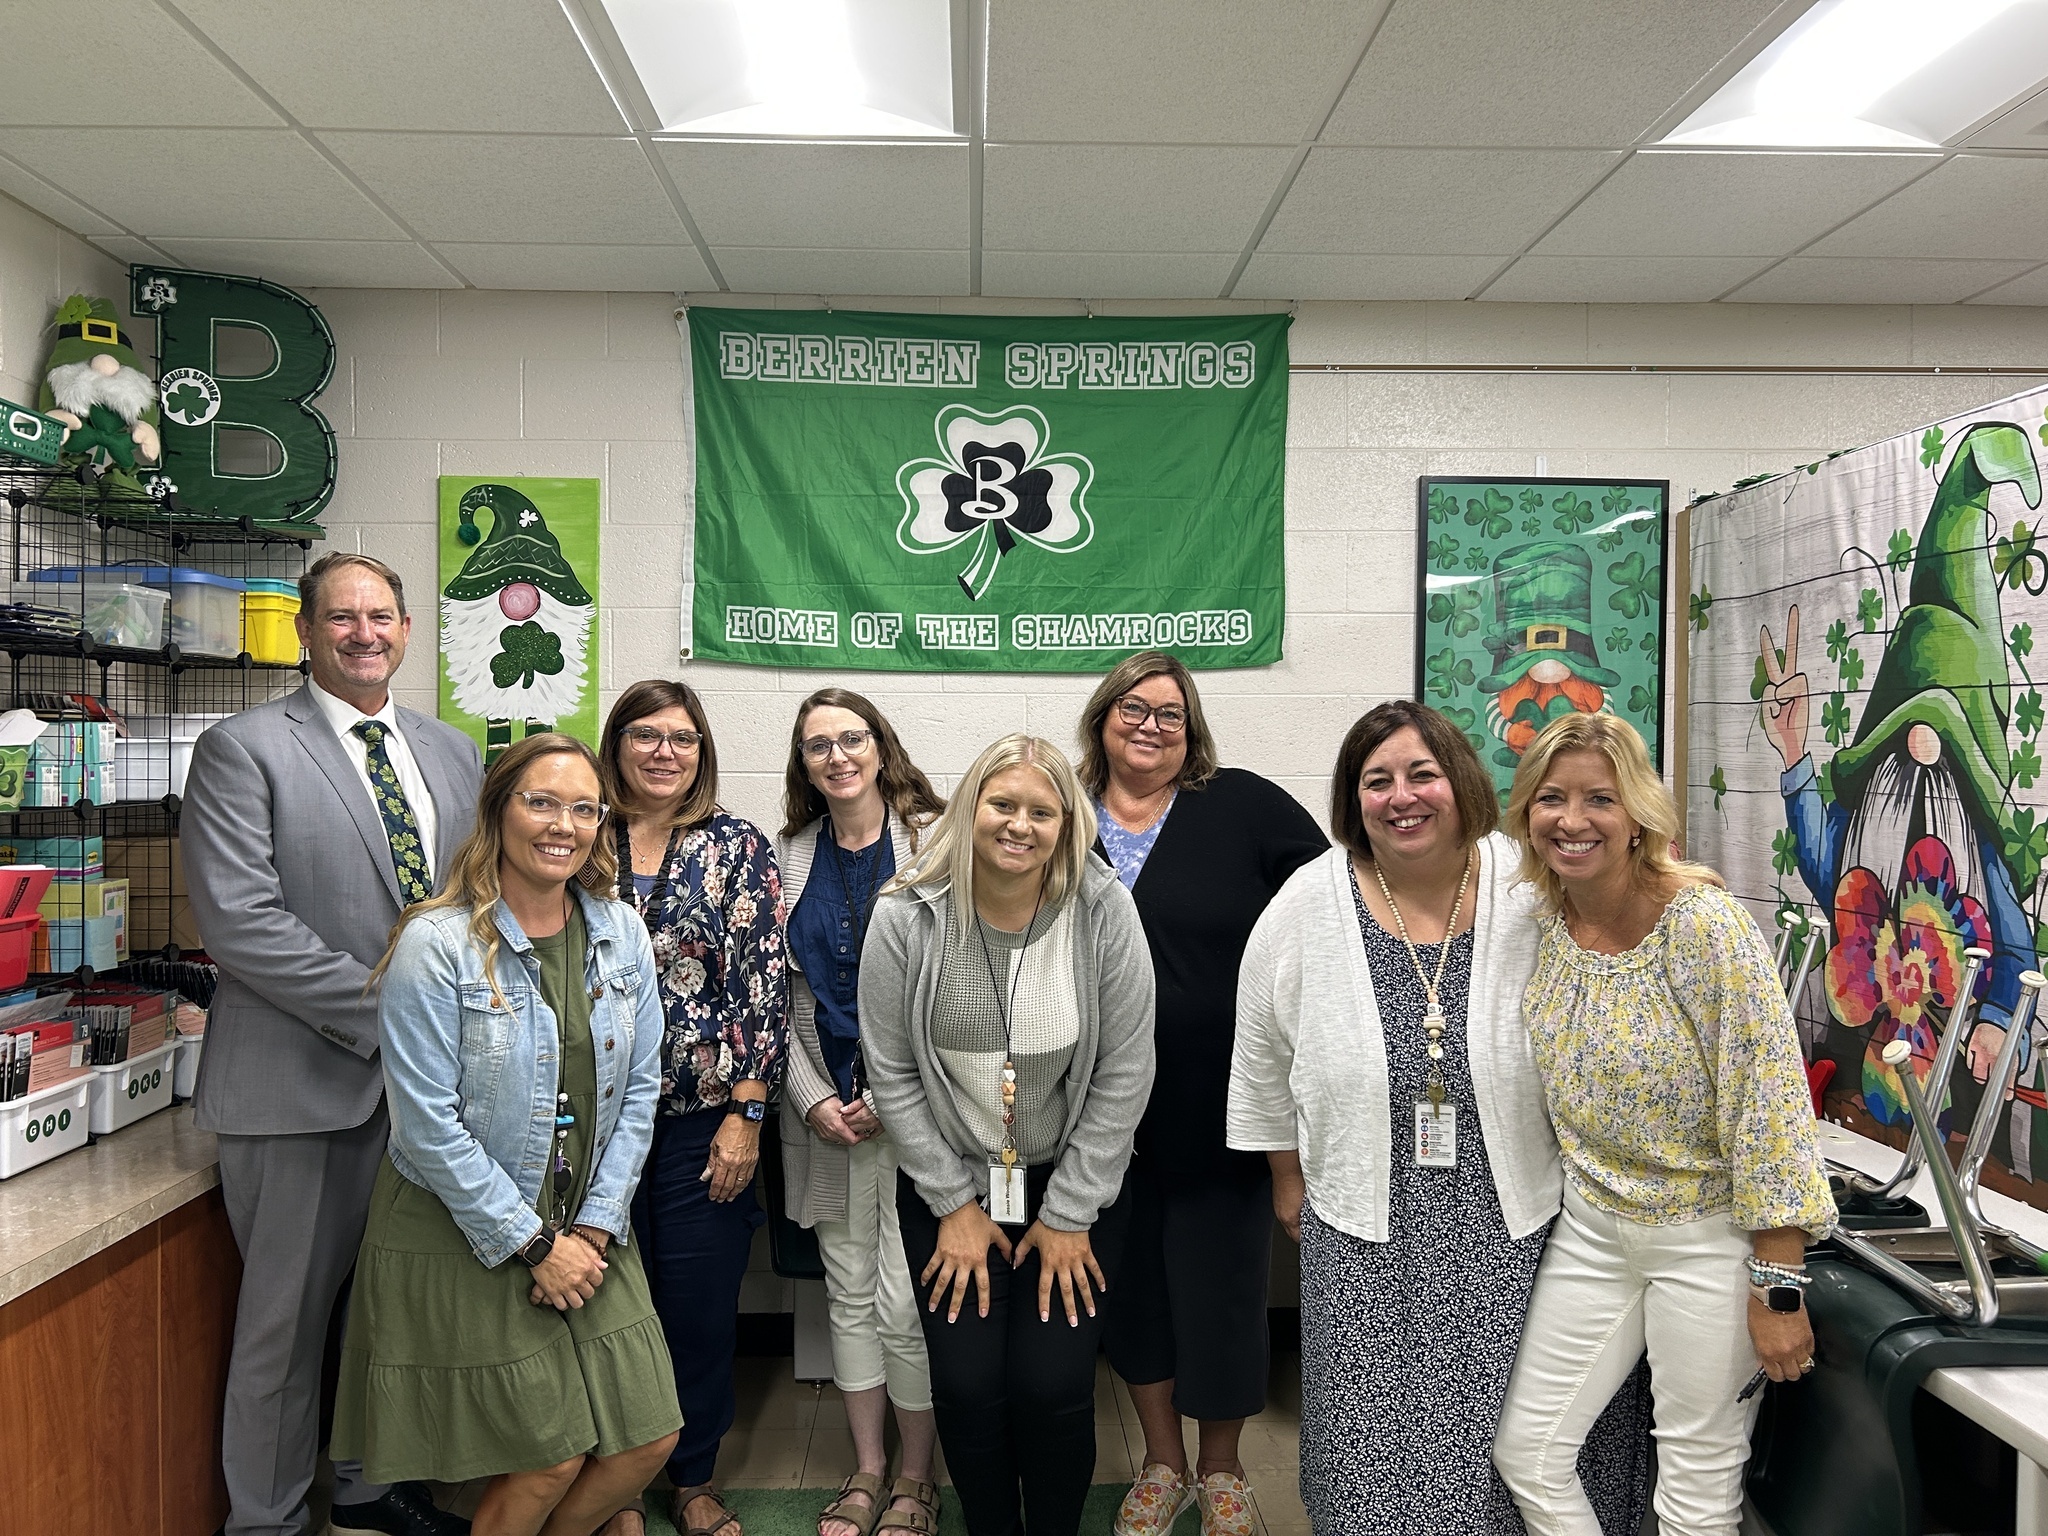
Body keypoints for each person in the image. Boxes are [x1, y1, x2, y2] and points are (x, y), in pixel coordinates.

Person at [1227, 700, 1648, 1536]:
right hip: (1363, 1225)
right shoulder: (1308, 901)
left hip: (1520, 1214)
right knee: (1376, 1443)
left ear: (1459, 780)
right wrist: (1286, 1177)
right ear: (1353, 800)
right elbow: (1259, 1057)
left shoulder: (1530, 881)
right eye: (1375, 780)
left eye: (1421, 773)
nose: (1401, 796)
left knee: (1517, 1437)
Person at [184, 551, 482, 1536]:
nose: (364, 632)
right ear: (306, 632)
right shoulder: (242, 749)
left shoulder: (448, 753)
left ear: (405, 629)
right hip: (300, 1087)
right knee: (284, 1329)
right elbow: (242, 923)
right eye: (342, 616)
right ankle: (264, 1521)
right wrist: (390, 1011)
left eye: (382, 615)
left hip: (423, 1098)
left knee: (387, 1316)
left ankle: (365, 1489)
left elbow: (469, 906)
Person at [1492, 711, 1836, 1536]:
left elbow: (1771, 1108)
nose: (1572, 821)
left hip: (1707, 1239)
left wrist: (1777, 1289)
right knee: (1529, 1451)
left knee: (1695, 1488)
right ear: (1527, 815)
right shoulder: (1543, 921)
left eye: (1598, 800)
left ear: (1639, 813)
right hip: (1594, 1228)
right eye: (1552, 799)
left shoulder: (1701, 925)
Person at [332, 734, 679, 1536]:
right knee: (547, 1457)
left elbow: (640, 1090)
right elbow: (424, 1128)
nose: (564, 824)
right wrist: (533, 1243)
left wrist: (592, 1226)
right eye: (542, 801)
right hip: (465, 1226)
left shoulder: (620, 933)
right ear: (499, 811)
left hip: (586, 1224)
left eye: (584, 808)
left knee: (646, 1437)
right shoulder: (438, 944)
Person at [861, 733, 1155, 1536]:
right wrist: (952, 1202)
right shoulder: (905, 914)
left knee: (1054, 1386)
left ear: (1068, 823)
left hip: (1074, 1190)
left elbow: (1127, 1070)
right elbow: (891, 1071)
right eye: (1001, 804)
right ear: (969, 808)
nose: (1019, 825)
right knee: (966, 1385)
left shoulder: (1102, 909)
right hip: (949, 1190)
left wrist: (1070, 1213)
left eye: (1042, 810)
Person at [1075, 652, 1325, 1536]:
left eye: (1171, 714)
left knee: (1223, 1292)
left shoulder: (1244, 804)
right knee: (1132, 1289)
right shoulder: (1064, 814)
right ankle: (1161, 1463)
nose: (1151, 725)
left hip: (1229, 1106)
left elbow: (1330, 898)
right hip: (1098, 1114)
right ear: (1103, 719)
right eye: (1134, 709)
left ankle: (1221, 1471)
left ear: (1194, 728)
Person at [599, 679, 788, 1536]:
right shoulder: (577, 832)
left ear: (701, 749)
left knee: (698, 1302)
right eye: (646, 735)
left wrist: (746, 1115)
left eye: (681, 737)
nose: (664, 752)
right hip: (586, 1120)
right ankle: (606, 1490)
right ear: (618, 744)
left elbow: (762, 987)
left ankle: (693, 1477)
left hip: (698, 1121)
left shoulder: (735, 846)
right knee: (594, 1302)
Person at [777, 689, 947, 1536]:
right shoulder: (786, 855)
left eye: (852, 738)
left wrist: (892, 1094)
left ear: (881, 746)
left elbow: (960, 983)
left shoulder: (937, 841)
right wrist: (812, 1098)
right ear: (803, 764)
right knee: (847, 1294)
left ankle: (918, 1478)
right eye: (818, 745)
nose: (837, 756)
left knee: (904, 1299)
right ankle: (867, 1470)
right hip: (824, 1115)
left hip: (917, 1115)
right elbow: (773, 993)